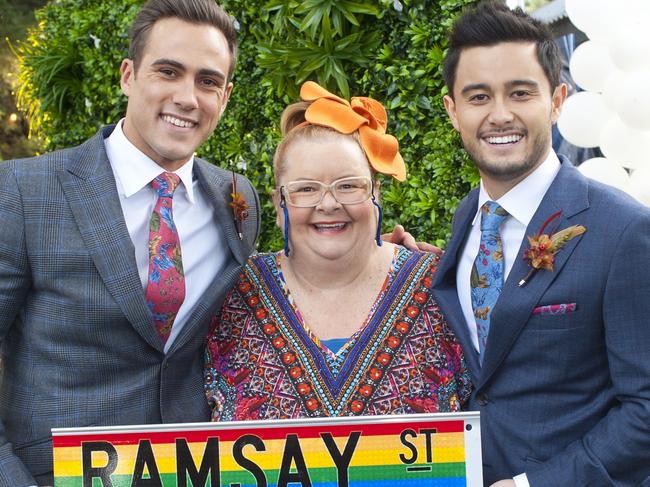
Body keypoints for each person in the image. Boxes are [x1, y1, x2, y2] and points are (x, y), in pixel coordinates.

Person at [0, 0, 259, 485]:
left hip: (192, 471)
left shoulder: (236, 197)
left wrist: (383, 260)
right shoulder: (20, 192)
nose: (188, 97)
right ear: (128, 75)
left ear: (223, 97)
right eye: (168, 71)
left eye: (207, 81)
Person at [430, 2, 650, 486]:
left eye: (521, 93)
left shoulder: (624, 232)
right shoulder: (469, 218)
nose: (500, 115)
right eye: (479, 96)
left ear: (557, 100)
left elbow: (646, 410)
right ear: (453, 111)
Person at [204, 81, 470, 420]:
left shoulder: (441, 288)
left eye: (348, 186)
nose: (328, 203)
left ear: (376, 193)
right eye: (306, 189)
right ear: (278, 203)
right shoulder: (230, 297)